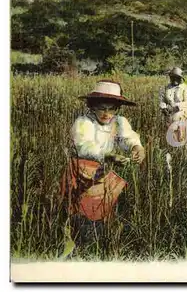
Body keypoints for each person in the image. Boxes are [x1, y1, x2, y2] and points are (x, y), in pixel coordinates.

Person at [60, 80, 145, 249]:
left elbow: (127, 138)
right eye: (102, 108)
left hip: (102, 171)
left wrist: (137, 147)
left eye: (111, 108)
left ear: (117, 108)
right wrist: (108, 156)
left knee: (102, 206)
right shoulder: (84, 122)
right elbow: (84, 147)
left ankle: (99, 240)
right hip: (82, 170)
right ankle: (81, 241)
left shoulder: (119, 122)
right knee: (81, 208)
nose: (107, 113)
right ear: (92, 106)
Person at [159, 67, 187, 145]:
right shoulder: (166, 88)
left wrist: (176, 107)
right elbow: (162, 99)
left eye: (177, 78)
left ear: (180, 78)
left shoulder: (185, 88)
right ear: (170, 77)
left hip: (183, 114)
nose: (175, 79)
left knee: (182, 136)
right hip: (170, 115)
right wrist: (164, 108)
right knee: (172, 136)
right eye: (173, 77)